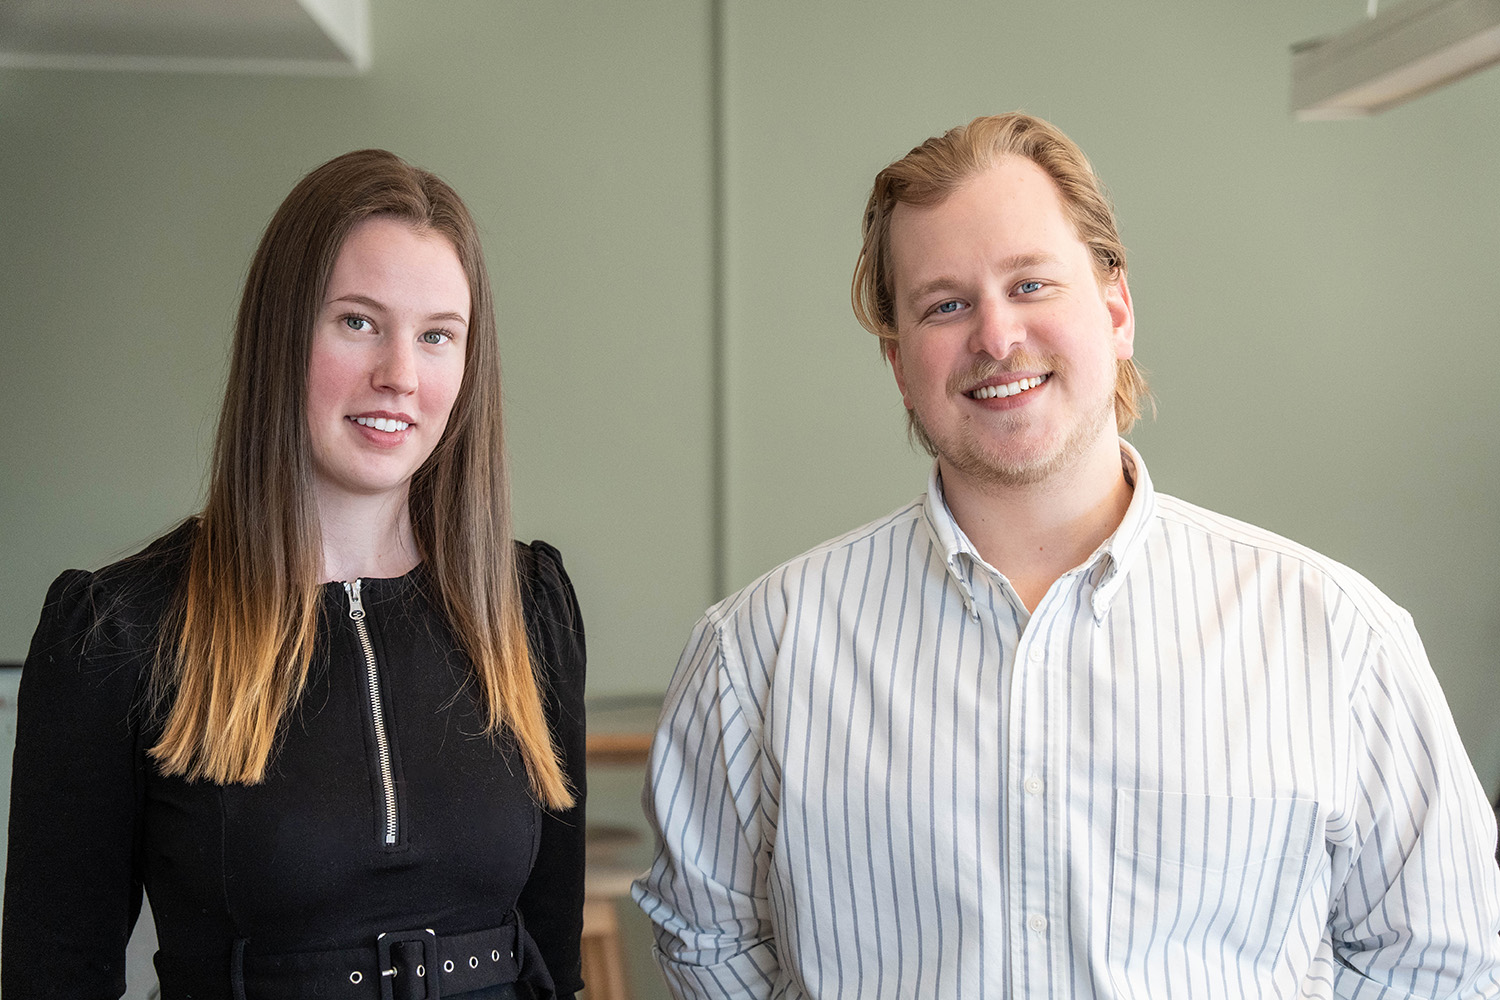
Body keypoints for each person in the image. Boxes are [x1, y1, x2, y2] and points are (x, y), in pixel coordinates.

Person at [633, 114, 1500, 999]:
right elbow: (710, 943)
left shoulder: (1338, 636)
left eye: (1032, 284)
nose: (998, 338)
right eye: (946, 304)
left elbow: (1436, 962)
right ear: (899, 361)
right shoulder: (758, 652)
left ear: (1117, 309)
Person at [3, 149, 586, 999]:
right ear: (280, 333)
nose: (401, 375)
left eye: (436, 335)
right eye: (357, 322)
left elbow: (553, 966)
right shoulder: (118, 631)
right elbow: (54, 977)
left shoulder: (526, 608)